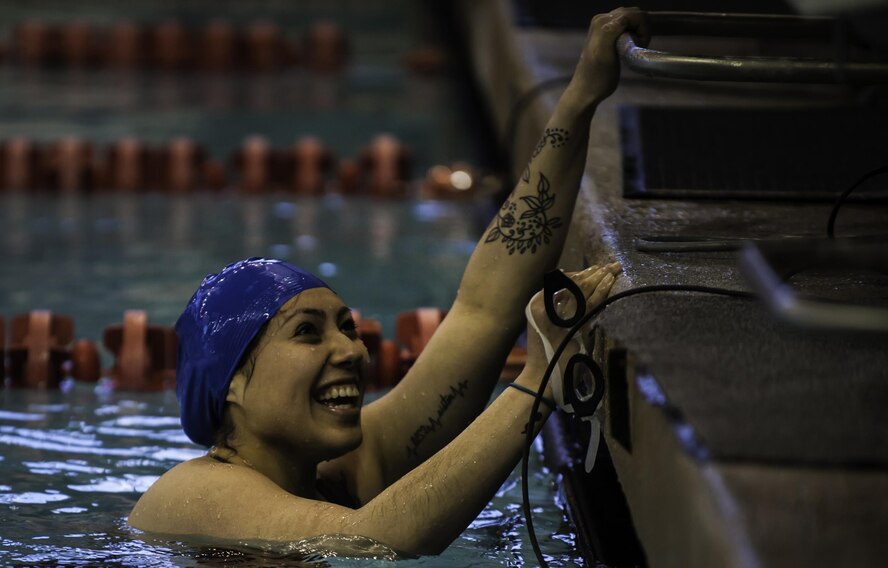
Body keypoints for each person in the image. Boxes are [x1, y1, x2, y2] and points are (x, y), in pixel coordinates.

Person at [129, 8, 646, 556]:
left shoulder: (336, 474)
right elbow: (385, 537)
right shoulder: (198, 491)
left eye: (346, 327)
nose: (351, 349)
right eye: (307, 332)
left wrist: (581, 96)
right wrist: (536, 386)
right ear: (230, 383)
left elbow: (484, 310)